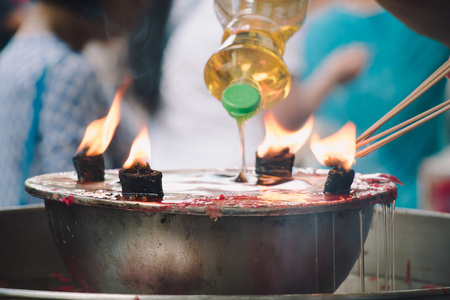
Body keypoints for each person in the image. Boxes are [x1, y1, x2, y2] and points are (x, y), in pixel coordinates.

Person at [283, 0, 450, 208]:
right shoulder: (321, 27)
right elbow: (288, 120)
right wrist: (328, 77)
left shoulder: (430, 24)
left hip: (409, 197)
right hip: (324, 202)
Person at [0, 0, 147, 207]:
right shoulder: (67, 71)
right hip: (44, 235)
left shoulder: (11, 57)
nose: (142, 5)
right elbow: (73, 196)